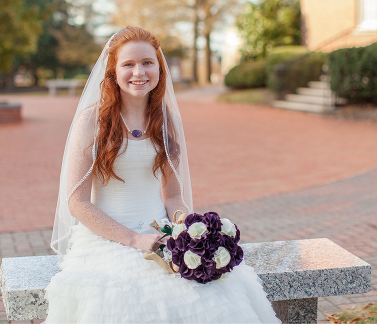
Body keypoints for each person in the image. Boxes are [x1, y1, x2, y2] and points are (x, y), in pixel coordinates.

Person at [45, 27, 279, 323]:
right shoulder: (92, 121)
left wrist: (190, 232)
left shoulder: (166, 120)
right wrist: (133, 239)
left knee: (218, 295)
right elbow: (77, 203)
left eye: (147, 62)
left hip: (162, 236)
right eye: (128, 64)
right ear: (113, 72)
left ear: (159, 68)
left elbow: (172, 195)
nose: (138, 72)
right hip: (107, 240)